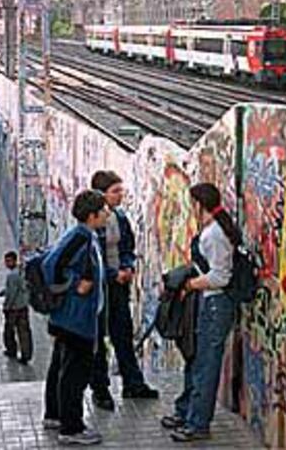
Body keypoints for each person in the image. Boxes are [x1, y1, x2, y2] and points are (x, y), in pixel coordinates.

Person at [161, 182, 241, 442]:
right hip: (211, 304)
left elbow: (220, 276)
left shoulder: (213, 235)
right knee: (198, 360)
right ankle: (188, 412)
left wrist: (190, 284)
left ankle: (197, 423)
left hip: (215, 305)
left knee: (205, 364)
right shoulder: (214, 230)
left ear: (199, 204)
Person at [42, 190, 108, 446]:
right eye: (102, 211)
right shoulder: (80, 237)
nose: (106, 214)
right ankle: (71, 428)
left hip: (74, 318)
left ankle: (56, 415)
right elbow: (52, 265)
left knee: (62, 367)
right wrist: (73, 284)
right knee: (74, 374)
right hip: (75, 320)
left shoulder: (86, 236)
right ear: (92, 215)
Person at [90, 170, 158, 411]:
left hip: (119, 285)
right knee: (98, 339)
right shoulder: (92, 221)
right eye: (115, 191)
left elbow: (128, 245)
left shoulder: (119, 216)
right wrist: (112, 274)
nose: (121, 195)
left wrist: (127, 266)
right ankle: (100, 389)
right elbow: (92, 260)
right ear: (101, 194)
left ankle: (133, 383)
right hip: (99, 290)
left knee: (123, 334)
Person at [0, 251, 33, 365]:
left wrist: (6, 307)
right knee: (24, 332)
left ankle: (12, 350)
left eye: (8, 261)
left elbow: (11, 293)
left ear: (14, 261)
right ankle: (26, 355)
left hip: (14, 309)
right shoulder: (20, 272)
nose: (6, 263)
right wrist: (1, 293)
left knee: (8, 331)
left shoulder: (12, 275)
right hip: (23, 306)